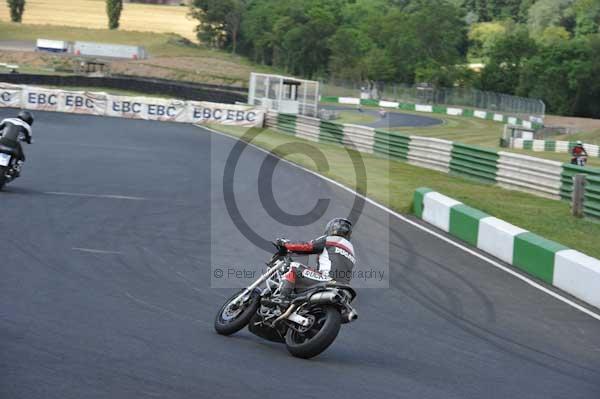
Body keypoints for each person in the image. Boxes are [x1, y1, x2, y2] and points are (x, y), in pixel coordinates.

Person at [274, 218, 356, 304]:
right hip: (343, 287)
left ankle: (282, 299)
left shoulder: (331, 239)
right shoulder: (351, 250)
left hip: (327, 280)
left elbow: (306, 246)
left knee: (294, 267)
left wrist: (285, 243)